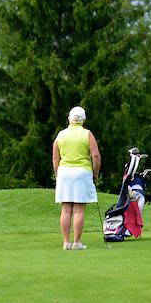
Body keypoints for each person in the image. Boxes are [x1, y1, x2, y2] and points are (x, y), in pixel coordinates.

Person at [52, 106, 101, 250]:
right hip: (82, 173)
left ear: (69, 119)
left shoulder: (60, 135)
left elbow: (55, 158)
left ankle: (66, 242)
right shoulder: (87, 134)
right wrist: (95, 174)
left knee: (66, 209)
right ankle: (77, 242)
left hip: (64, 173)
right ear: (83, 119)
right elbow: (96, 156)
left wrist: (57, 175)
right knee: (78, 209)